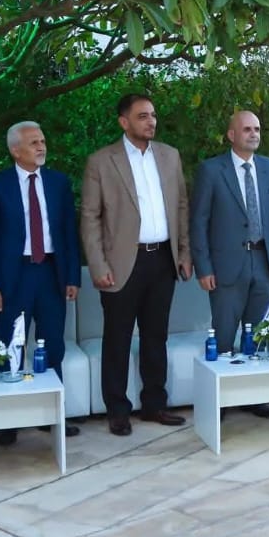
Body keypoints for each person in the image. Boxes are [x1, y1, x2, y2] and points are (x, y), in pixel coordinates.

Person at [80, 93, 192, 437]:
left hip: (162, 260)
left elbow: (181, 207)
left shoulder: (169, 156)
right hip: (121, 263)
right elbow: (90, 217)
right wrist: (98, 264)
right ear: (124, 121)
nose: (151, 121)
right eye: (142, 116)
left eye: (153, 115)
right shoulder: (102, 161)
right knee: (117, 338)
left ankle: (155, 403)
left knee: (156, 336)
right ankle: (117, 410)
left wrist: (184, 253)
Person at [0, 121, 82, 444]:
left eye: (42, 141)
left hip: (51, 273)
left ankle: (53, 415)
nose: (41, 147)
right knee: (11, 346)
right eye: (34, 143)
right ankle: (10, 420)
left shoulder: (58, 182)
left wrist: (72, 276)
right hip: (14, 276)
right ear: (15, 150)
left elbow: (68, 233)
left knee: (53, 346)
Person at [190, 110, 269, 419]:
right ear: (231, 135)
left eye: (257, 129)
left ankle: (252, 396)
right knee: (224, 333)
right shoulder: (211, 170)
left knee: (257, 334)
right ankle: (219, 400)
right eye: (247, 129)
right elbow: (199, 221)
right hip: (226, 264)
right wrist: (204, 267)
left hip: (262, 260)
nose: (254, 134)